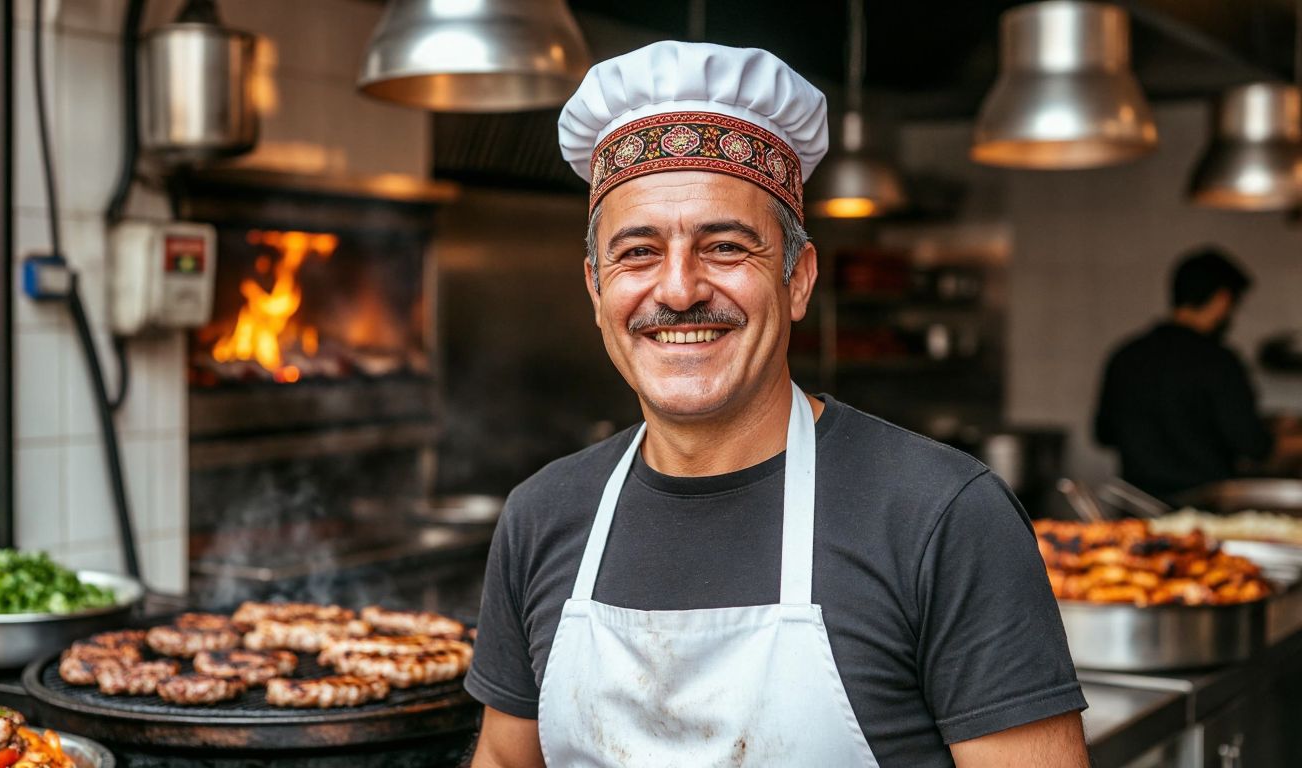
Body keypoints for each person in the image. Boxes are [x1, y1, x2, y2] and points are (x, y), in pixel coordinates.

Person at [466, 42, 1088, 767]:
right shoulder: (542, 514)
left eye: (725, 246)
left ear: (798, 280)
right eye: (637, 253)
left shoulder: (942, 517)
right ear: (595, 290)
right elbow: (508, 760)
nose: (677, 289)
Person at [1095, 246, 1280, 499]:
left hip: (1137, 511)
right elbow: (1254, 444)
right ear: (1222, 299)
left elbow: (1103, 434)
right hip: (1205, 517)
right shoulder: (1219, 361)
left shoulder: (1126, 356)